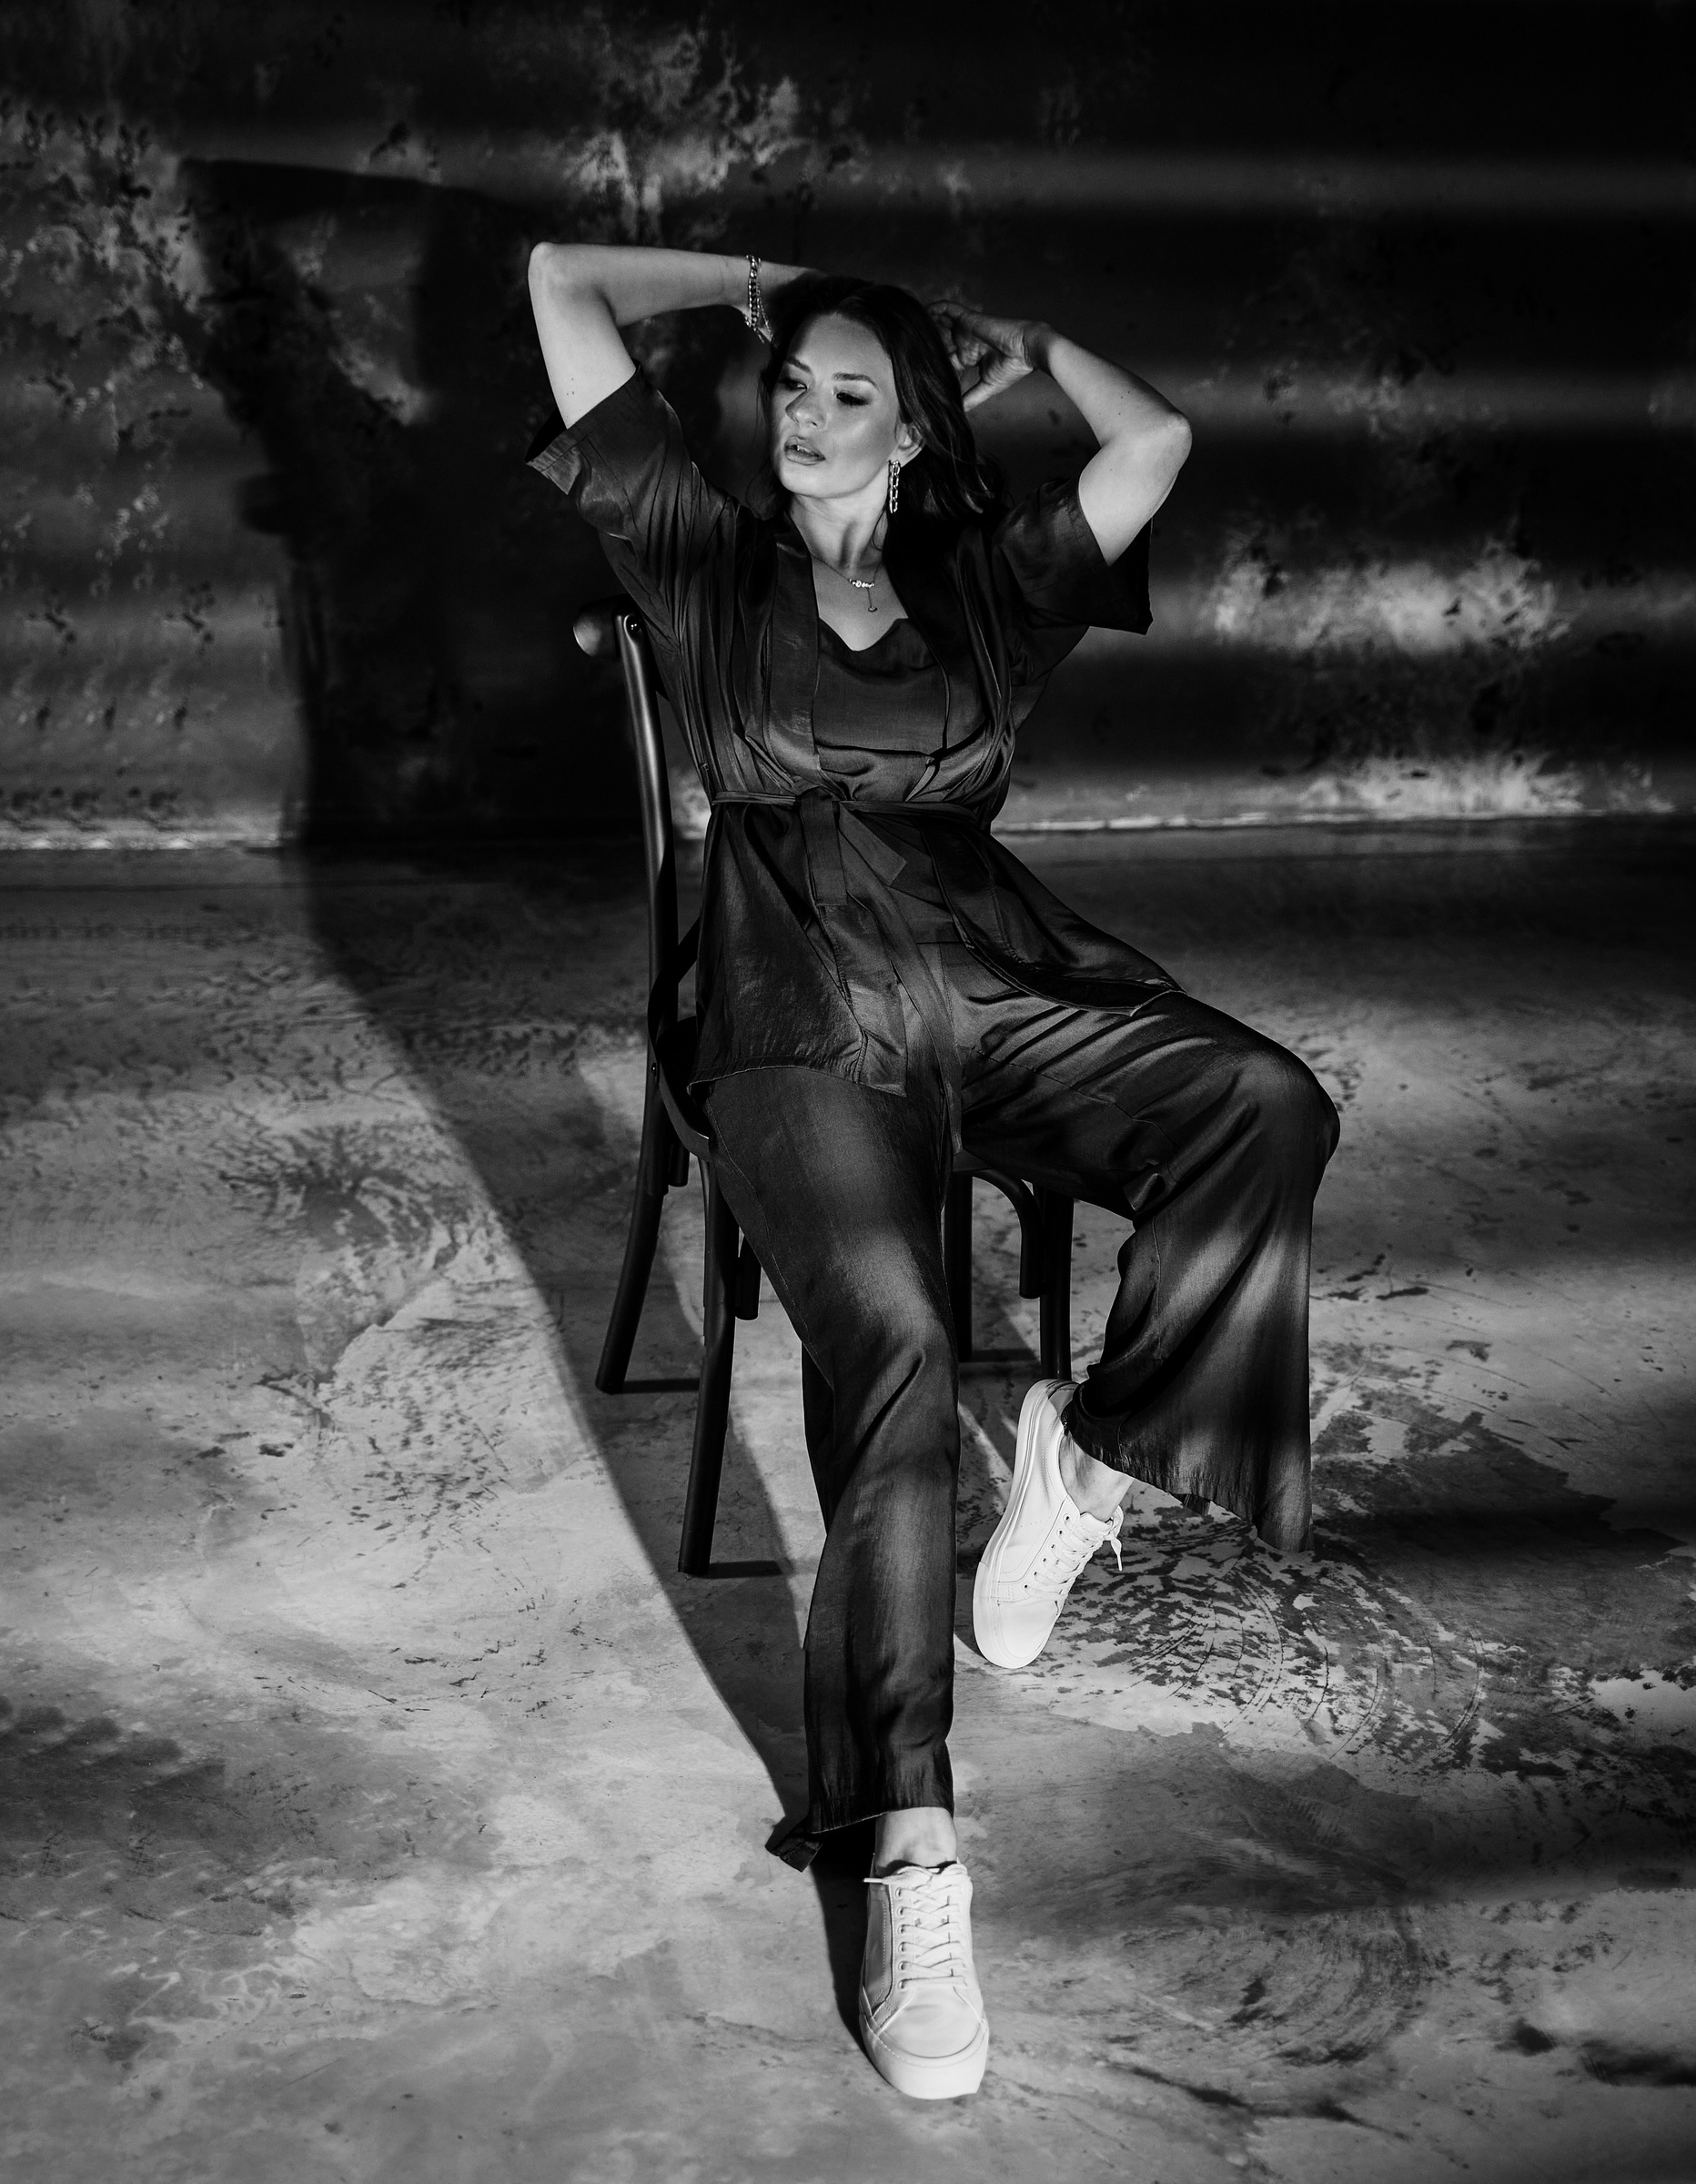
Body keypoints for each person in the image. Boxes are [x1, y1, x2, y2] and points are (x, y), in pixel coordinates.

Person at [526, 244, 1339, 2101]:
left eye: (849, 395)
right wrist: (753, 284)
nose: (804, 418)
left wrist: (1033, 338)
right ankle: (910, 1853)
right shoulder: (698, 553)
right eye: (791, 387)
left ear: (911, 430)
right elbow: (561, 282)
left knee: (1263, 1105)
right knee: (895, 1340)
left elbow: (1158, 442)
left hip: (1000, 988)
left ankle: (1090, 1458)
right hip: (792, 1019)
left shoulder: (985, 581)